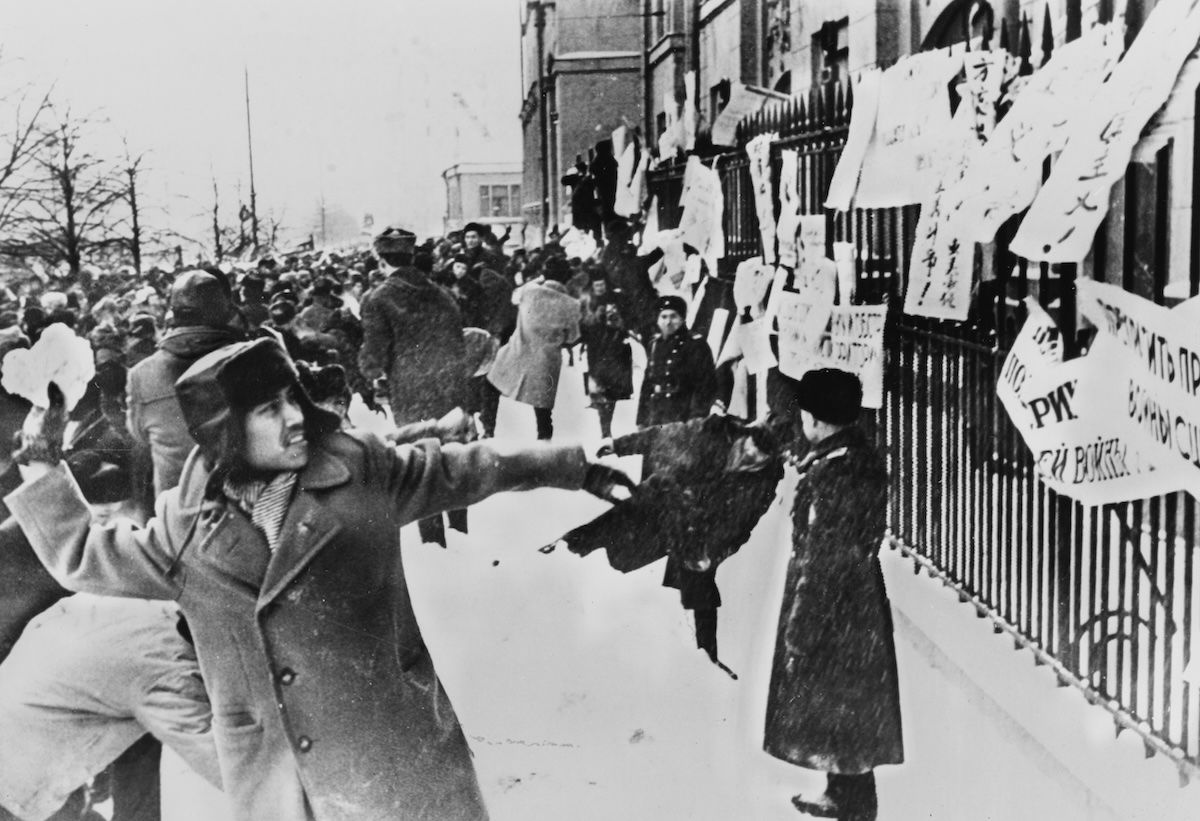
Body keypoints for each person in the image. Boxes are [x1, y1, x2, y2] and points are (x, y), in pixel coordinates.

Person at [7, 337, 635, 821]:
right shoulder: (185, 527)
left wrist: (572, 465)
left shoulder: (360, 472)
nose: (293, 419)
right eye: (266, 409)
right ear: (226, 431)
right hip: (281, 778)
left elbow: (466, 468)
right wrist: (41, 468)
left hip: (389, 755)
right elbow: (86, 556)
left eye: (291, 399)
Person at [765, 368, 903, 821]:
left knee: (838, 695)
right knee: (849, 701)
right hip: (858, 595)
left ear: (816, 419)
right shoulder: (858, 454)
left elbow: (822, 553)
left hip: (833, 600)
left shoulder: (833, 470)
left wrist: (801, 627)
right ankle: (843, 793)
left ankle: (855, 804)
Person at [359, 226, 471, 545]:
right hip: (449, 385)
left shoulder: (377, 298)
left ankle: (433, 542)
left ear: (380, 259)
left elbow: (374, 357)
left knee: (420, 461)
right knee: (453, 456)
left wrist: (366, 369)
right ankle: (461, 532)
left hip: (410, 391)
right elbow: (459, 345)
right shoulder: (443, 295)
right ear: (411, 255)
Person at [126, 269, 244, 504]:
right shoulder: (250, 360)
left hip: (178, 517)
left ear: (173, 314)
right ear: (224, 312)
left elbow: (138, 433)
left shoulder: (141, 374)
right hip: (245, 511)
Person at [487, 255, 581, 440]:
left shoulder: (528, 292)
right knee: (543, 409)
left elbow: (514, 297)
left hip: (517, 351)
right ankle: (544, 442)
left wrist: (537, 280)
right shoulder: (572, 305)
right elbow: (573, 337)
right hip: (546, 360)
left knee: (491, 385)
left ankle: (488, 429)